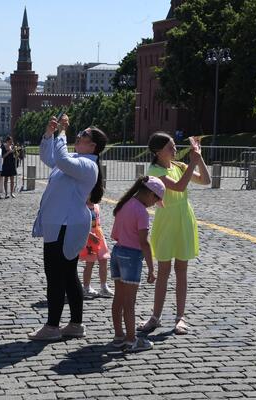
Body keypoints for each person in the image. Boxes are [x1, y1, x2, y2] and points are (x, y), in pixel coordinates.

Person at [28, 114, 108, 341]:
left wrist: (63, 132)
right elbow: (50, 157)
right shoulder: (76, 159)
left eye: (83, 135)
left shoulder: (87, 165)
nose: (79, 136)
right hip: (61, 223)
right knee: (68, 274)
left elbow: (61, 159)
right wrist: (49, 134)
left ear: (93, 146)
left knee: (55, 276)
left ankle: (52, 327)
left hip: (66, 224)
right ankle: (75, 324)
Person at [139, 132, 211, 335]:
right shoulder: (155, 170)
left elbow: (205, 180)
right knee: (163, 271)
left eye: (174, 145)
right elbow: (179, 187)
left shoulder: (179, 166)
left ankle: (180, 317)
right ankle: (156, 316)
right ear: (158, 151)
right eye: (170, 147)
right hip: (167, 220)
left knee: (181, 270)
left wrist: (199, 158)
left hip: (184, 218)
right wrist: (193, 162)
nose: (175, 149)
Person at [110, 176, 163, 352]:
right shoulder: (141, 212)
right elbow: (144, 242)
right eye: (156, 199)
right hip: (131, 257)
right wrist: (151, 268)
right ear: (150, 194)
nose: (154, 204)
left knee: (118, 298)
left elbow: (115, 234)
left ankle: (119, 336)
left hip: (117, 252)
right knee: (129, 302)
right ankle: (132, 339)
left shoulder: (124, 204)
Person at [79, 200, 113, 298]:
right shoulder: (82, 207)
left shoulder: (96, 206)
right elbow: (80, 225)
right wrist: (89, 234)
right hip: (89, 238)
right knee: (90, 263)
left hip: (98, 236)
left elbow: (97, 223)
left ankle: (104, 286)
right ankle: (86, 287)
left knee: (104, 260)